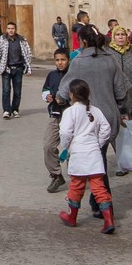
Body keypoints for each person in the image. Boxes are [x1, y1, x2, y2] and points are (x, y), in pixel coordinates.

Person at [56, 24, 129, 218]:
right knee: (99, 158)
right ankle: (98, 204)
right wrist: (122, 110)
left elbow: (64, 90)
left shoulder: (79, 61)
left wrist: (58, 99)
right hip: (108, 117)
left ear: (84, 41)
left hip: (86, 118)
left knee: (96, 164)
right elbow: (122, 91)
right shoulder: (111, 60)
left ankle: (101, 205)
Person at [58, 78, 115, 234]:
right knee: (99, 187)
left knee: (76, 186)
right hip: (94, 153)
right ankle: (109, 220)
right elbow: (106, 129)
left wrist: (65, 147)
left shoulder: (70, 112)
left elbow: (65, 132)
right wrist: (98, 143)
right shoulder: (95, 110)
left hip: (78, 153)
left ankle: (72, 217)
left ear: (71, 94)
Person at [41, 48, 71, 192]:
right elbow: (45, 89)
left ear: (69, 60)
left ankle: (77, 177)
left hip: (71, 116)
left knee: (73, 147)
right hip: (55, 114)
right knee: (48, 146)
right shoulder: (51, 75)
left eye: (63, 59)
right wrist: (47, 96)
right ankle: (56, 175)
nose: (60, 63)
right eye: (57, 60)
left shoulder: (74, 75)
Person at [0, 20, 32, 118]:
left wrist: (28, 68)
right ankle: (6, 110)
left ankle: (15, 109)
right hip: (6, 68)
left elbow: (27, 54)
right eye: (9, 29)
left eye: (12, 29)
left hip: (18, 68)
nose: (10, 30)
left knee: (17, 91)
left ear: (15, 29)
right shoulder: (2, 39)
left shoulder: (22, 40)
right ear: (6, 30)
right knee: (6, 90)